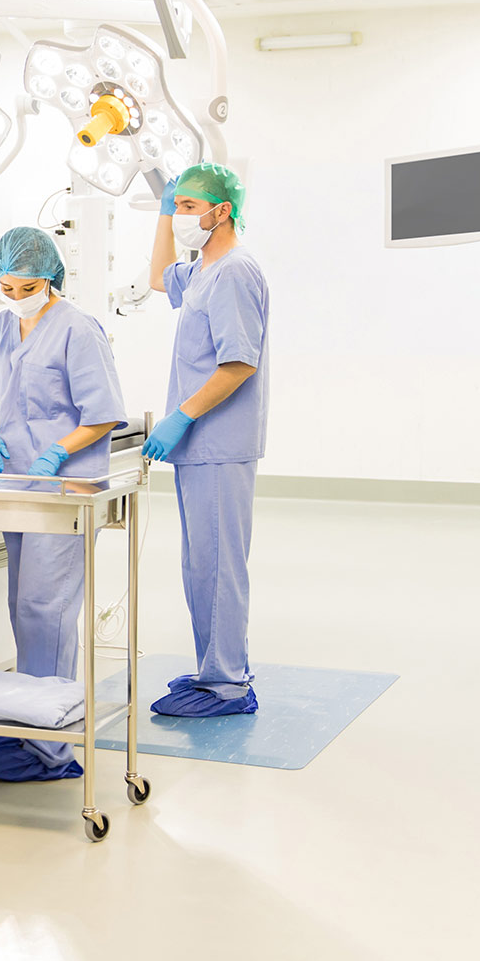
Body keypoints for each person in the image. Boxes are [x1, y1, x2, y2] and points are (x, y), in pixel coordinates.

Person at [0, 227, 127, 781]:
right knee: (20, 606)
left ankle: (50, 745)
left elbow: (103, 412)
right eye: (5, 288)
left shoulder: (79, 330)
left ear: (50, 278)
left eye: (26, 286)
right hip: (12, 482)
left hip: (65, 487)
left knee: (47, 610)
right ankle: (26, 722)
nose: (15, 297)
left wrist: (58, 451)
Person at [141, 162, 269, 718]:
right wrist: (164, 212)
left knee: (219, 566)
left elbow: (238, 363)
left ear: (223, 211)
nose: (184, 216)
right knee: (201, 564)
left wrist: (181, 417)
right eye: (181, 206)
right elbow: (155, 276)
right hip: (200, 444)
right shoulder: (201, 270)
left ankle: (229, 685)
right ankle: (213, 669)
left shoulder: (236, 271)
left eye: (192, 207)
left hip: (219, 440)